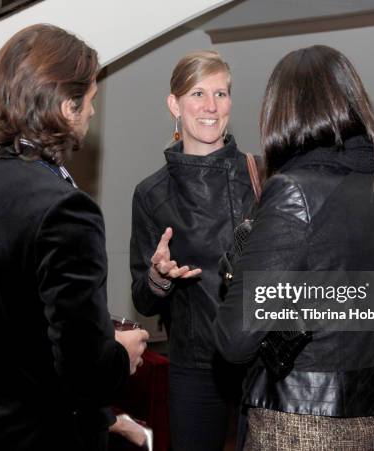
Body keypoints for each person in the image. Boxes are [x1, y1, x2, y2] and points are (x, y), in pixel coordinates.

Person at [0, 24, 148, 451]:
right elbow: (85, 370)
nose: (93, 113)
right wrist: (120, 355)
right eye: (90, 100)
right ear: (65, 106)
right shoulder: (66, 209)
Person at [214, 45, 374, 450]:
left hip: (301, 425)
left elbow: (234, 340)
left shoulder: (294, 192)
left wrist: (236, 268)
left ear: (283, 113)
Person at [130, 50, 257, 450]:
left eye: (221, 94)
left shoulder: (262, 176)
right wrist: (158, 277)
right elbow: (143, 301)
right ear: (174, 104)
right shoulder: (151, 194)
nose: (210, 106)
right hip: (195, 365)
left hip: (261, 358)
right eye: (198, 93)